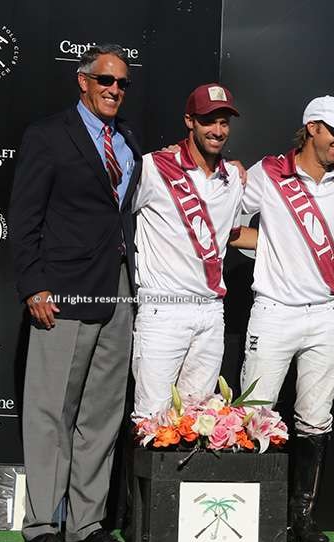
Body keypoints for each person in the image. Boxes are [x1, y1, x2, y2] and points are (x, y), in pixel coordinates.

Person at [8, 44, 141, 542]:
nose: (114, 89)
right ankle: (43, 521)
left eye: (122, 83)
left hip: (119, 288)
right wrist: (33, 285)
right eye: (105, 80)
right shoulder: (47, 135)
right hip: (61, 291)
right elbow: (24, 218)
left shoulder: (127, 139)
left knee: (102, 413)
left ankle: (86, 523)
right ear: (82, 81)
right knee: (50, 410)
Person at [240, 96, 334, 542]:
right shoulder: (268, 173)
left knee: (316, 418)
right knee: (255, 412)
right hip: (273, 310)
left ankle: (301, 519)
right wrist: (270, 243)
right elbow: (227, 224)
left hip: (329, 313)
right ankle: (250, 516)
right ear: (311, 128)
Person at [131, 83, 245, 419]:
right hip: (163, 309)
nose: (218, 130)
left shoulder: (234, 178)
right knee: (151, 418)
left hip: (211, 312)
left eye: (224, 122)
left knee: (198, 421)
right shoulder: (153, 167)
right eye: (209, 120)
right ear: (189, 121)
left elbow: (231, 234)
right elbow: (114, 220)